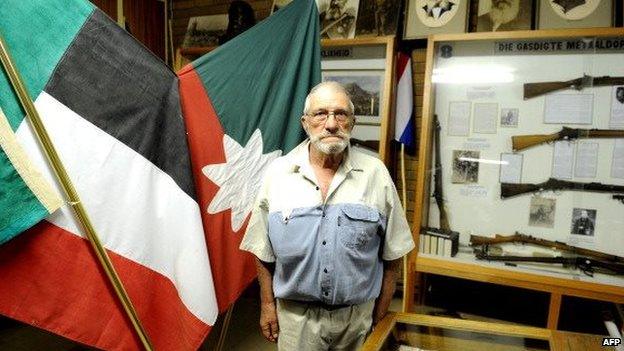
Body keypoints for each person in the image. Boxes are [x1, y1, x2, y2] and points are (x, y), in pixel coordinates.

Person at [240, 81, 415, 350]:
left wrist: (381, 312)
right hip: (296, 321)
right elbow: (262, 250)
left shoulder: (375, 174)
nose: (331, 124)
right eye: (321, 114)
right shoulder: (278, 174)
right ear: (305, 122)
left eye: (340, 114)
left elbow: (393, 253)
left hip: (358, 320)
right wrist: (266, 305)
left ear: (352, 123)